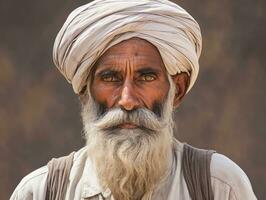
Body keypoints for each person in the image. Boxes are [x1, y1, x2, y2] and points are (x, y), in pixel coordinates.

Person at [10, 0, 257, 199]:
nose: (127, 100)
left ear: (177, 91)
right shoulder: (41, 192)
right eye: (110, 78)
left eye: (146, 77)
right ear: (86, 92)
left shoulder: (219, 186)